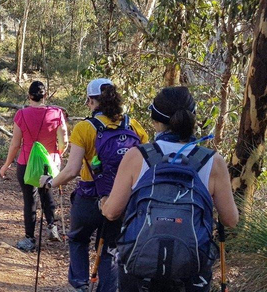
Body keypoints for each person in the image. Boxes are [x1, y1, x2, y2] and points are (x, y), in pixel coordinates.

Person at [102, 87, 239, 292]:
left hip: (139, 268)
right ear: (192, 119)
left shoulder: (137, 156)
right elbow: (231, 219)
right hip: (192, 267)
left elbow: (112, 212)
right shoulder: (212, 161)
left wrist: (102, 204)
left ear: (155, 121)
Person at [40, 78, 148, 292]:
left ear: (91, 101)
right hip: (121, 199)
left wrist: (50, 183)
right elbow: (146, 160)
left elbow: (71, 170)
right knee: (109, 248)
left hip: (90, 196)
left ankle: (80, 284)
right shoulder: (133, 125)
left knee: (78, 239)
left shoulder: (85, 128)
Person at [0, 81, 68, 251]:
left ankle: (29, 239)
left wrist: (6, 165)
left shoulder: (21, 115)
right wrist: (58, 154)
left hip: (26, 163)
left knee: (30, 200)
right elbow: (64, 141)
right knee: (47, 194)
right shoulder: (56, 113)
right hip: (49, 163)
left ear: (29, 96)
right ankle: (52, 228)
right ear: (45, 96)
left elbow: (15, 144)